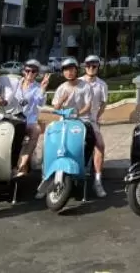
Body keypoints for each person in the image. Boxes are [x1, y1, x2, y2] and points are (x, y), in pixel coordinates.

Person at [51, 58, 104, 197]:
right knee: (52, 140)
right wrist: (62, 101)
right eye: (66, 70)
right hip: (64, 120)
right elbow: (55, 107)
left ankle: (84, 163)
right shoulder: (61, 88)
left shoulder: (85, 86)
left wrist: (77, 114)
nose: (69, 72)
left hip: (82, 120)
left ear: (76, 70)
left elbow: (88, 106)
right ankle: (48, 175)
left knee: (91, 138)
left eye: (72, 69)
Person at [13, 59, 49, 176]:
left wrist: (43, 88)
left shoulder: (38, 87)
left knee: (36, 130)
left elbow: (40, 103)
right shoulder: (15, 84)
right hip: (13, 118)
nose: (30, 74)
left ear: (37, 73)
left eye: (33, 71)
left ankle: (22, 165)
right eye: (28, 70)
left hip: (29, 121)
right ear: (24, 71)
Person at [81, 55, 108, 188]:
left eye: (94, 66)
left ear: (98, 67)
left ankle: (98, 179)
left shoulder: (102, 85)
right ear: (84, 66)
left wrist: (97, 116)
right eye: (88, 66)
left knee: (100, 145)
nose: (91, 68)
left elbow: (103, 103)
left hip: (91, 121)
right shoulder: (78, 82)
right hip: (76, 119)